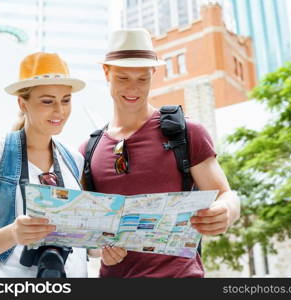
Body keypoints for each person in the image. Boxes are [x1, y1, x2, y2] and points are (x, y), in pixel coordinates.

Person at [79, 28, 241, 278]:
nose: (133, 89)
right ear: (106, 73)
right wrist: (100, 249)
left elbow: (226, 195)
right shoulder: (88, 151)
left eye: (142, 79)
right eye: (123, 78)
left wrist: (226, 211)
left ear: (153, 74)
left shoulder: (187, 133)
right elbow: (85, 230)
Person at [0, 52, 89, 277]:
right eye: (47, 101)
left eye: (66, 100)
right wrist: (13, 234)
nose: (59, 111)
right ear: (22, 103)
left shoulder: (75, 159)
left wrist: (104, 247)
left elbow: (87, 248)